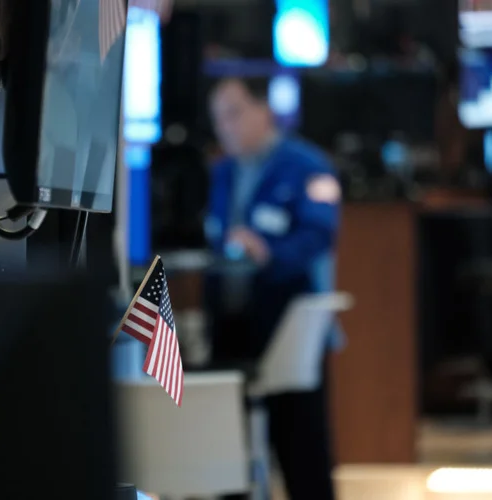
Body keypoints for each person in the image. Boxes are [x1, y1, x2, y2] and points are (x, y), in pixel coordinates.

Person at [205, 78, 341, 500]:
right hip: (230, 320)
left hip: (288, 317)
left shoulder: (310, 165)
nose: (225, 126)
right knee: (229, 446)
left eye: (234, 112)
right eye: (217, 118)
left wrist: (269, 252)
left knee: (301, 442)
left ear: (264, 109)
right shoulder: (222, 172)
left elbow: (321, 234)